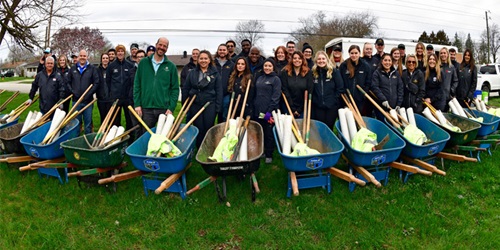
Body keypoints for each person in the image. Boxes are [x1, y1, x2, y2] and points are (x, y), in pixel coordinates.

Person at [133, 37, 179, 134]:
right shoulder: (143, 63)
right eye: (160, 45)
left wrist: (171, 107)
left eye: (164, 46)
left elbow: (175, 89)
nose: (162, 47)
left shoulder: (171, 66)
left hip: (164, 108)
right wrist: (137, 104)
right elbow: (137, 84)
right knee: (146, 135)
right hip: (146, 108)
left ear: (167, 48)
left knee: (164, 135)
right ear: (156, 45)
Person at [182, 50, 222, 148]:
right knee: (198, 127)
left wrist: (217, 107)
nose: (203, 61)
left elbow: (219, 90)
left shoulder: (215, 73)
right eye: (201, 58)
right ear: (198, 60)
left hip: (210, 104)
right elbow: (186, 88)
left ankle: (208, 147)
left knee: (208, 127)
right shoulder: (192, 73)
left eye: (205, 58)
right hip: (195, 104)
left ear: (209, 60)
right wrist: (185, 105)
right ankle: (199, 147)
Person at [253, 58, 281, 164]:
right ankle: (262, 151)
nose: (267, 68)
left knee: (269, 132)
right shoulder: (260, 78)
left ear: (273, 67)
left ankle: (269, 154)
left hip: (269, 111)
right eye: (265, 66)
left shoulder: (276, 79)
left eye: (269, 66)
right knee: (260, 132)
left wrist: (268, 113)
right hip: (258, 110)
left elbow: (276, 97)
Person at [66, 49, 100, 134]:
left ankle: (87, 140)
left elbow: (96, 83)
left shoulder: (92, 69)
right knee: (76, 123)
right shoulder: (73, 69)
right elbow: (67, 82)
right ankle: (76, 140)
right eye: (81, 56)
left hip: (88, 101)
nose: (82, 57)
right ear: (78, 57)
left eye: (84, 56)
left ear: (87, 57)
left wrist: (88, 94)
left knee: (88, 123)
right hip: (76, 101)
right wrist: (73, 92)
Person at [311, 51, 344, 129]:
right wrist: (315, 100)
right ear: (316, 61)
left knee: (329, 126)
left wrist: (334, 100)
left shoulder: (334, 71)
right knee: (320, 127)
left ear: (327, 60)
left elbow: (340, 87)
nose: (321, 61)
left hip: (331, 107)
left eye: (323, 58)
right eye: (319, 59)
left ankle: (329, 140)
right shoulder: (313, 73)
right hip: (318, 106)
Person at [107, 44, 135, 129]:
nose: (120, 53)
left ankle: (130, 136)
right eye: (118, 51)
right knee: (115, 119)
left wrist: (130, 94)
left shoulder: (130, 65)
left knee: (129, 118)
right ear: (116, 53)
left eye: (122, 51)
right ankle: (116, 136)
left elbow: (132, 81)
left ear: (124, 52)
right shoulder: (111, 66)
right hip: (116, 98)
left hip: (127, 97)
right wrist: (111, 93)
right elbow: (108, 81)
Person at [340, 45, 372, 116]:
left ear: (359, 53)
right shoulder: (344, 66)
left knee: (358, 118)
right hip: (347, 98)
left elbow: (368, 82)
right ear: (349, 54)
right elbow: (340, 81)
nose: (354, 55)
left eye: (356, 53)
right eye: (352, 53)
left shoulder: (365, 66)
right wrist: (343, 92)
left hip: (360, 99)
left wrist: (363, 94)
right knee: (348, 118)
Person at [280, 51, 313, 118]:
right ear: (291, 60)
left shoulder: (308, 73)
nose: (297, 60)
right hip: (288, 106)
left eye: (299, 58)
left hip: (303, 107)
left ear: (302, 60)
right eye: (295, 58)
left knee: (300, 127)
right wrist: (293, 109)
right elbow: (285, 90)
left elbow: (310, 90)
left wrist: (300, 110)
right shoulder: (285, 72)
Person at [371, 53, 404, 120]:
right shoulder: (377, 73)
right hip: (382, 106)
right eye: (385, 60)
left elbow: (400, 88)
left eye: (389, 60)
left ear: (392, 62)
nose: (387, 62)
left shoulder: (396, 73)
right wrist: (383, 99)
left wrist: (399, 103)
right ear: (382, 61)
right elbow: (375, 87)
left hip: (394, 107)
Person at [214, 44, 235, 123]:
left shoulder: (231, 64)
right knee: (212, 115)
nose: (222, 51)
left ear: (227, 52)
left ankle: (222, 132)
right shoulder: (212, 64)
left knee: (224, 116)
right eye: (220, 50)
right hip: (214, 94)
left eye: (224, 50)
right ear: (218, 51)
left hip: (226, 94)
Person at [96, 53, 111, 123]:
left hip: (110, 98)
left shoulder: (111, 69)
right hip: (101, 98)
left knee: (110, 117)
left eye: (106, 58)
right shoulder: (97, 70)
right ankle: (103, 131)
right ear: (101, 60)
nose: (105, 60)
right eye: (103, 58)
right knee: (103, 116)